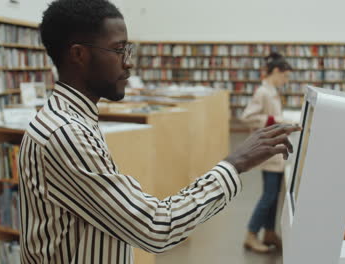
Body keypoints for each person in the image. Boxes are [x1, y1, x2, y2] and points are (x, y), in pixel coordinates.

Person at [18, 0, 301, 263]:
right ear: (79, 54)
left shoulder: (70, 121)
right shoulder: (65, 134)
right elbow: (155, 227)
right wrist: (234, 163)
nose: (128, 62)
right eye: (119, 50)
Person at [241, 52, 293, 253]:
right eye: (285, 76)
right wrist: (275, 121)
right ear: (277, 71)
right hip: (268, 150)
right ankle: (251, 234)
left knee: (274, 195)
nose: (286, 81)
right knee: (269, 195)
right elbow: (247, 117)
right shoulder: (263, 92)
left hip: (274, 150)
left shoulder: (272, 90)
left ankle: (269, 233)